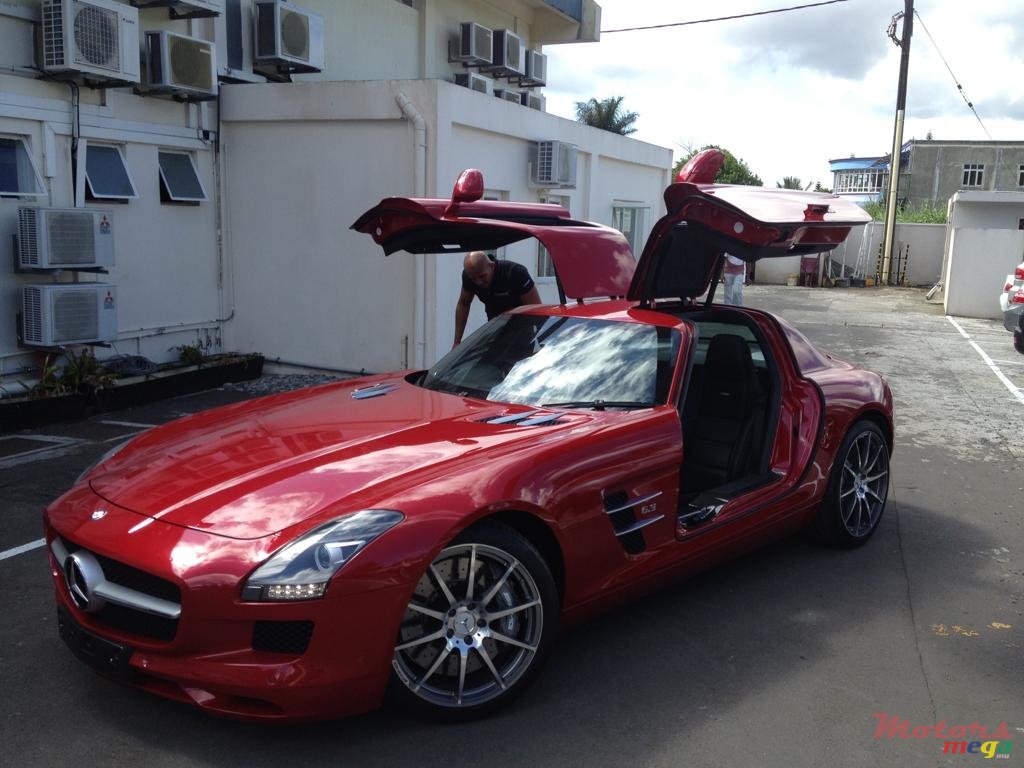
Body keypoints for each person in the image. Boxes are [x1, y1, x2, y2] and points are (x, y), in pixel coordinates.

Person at [453, 251, 541, 347]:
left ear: (492, 266)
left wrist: (542, 341)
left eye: (482, 276)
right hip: (495, 328)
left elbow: (536, 310)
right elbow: (464, 304)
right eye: (474, 279)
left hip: (521, 330)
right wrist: (457, 341)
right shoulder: (469, 276)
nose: (479, 282)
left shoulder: (515, 273)